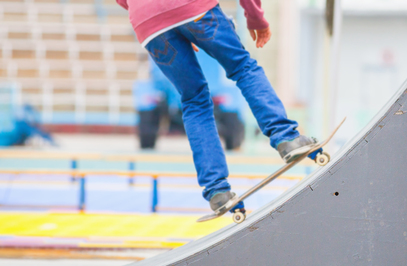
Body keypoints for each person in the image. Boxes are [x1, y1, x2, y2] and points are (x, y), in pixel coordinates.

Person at [116, 0, 317, 217]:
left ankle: (217, 190)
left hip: (148, 21)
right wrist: (255, 18)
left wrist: (160, 16)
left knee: (193, 99)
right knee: (242, 67)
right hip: (193, 8)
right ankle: (285, 137)